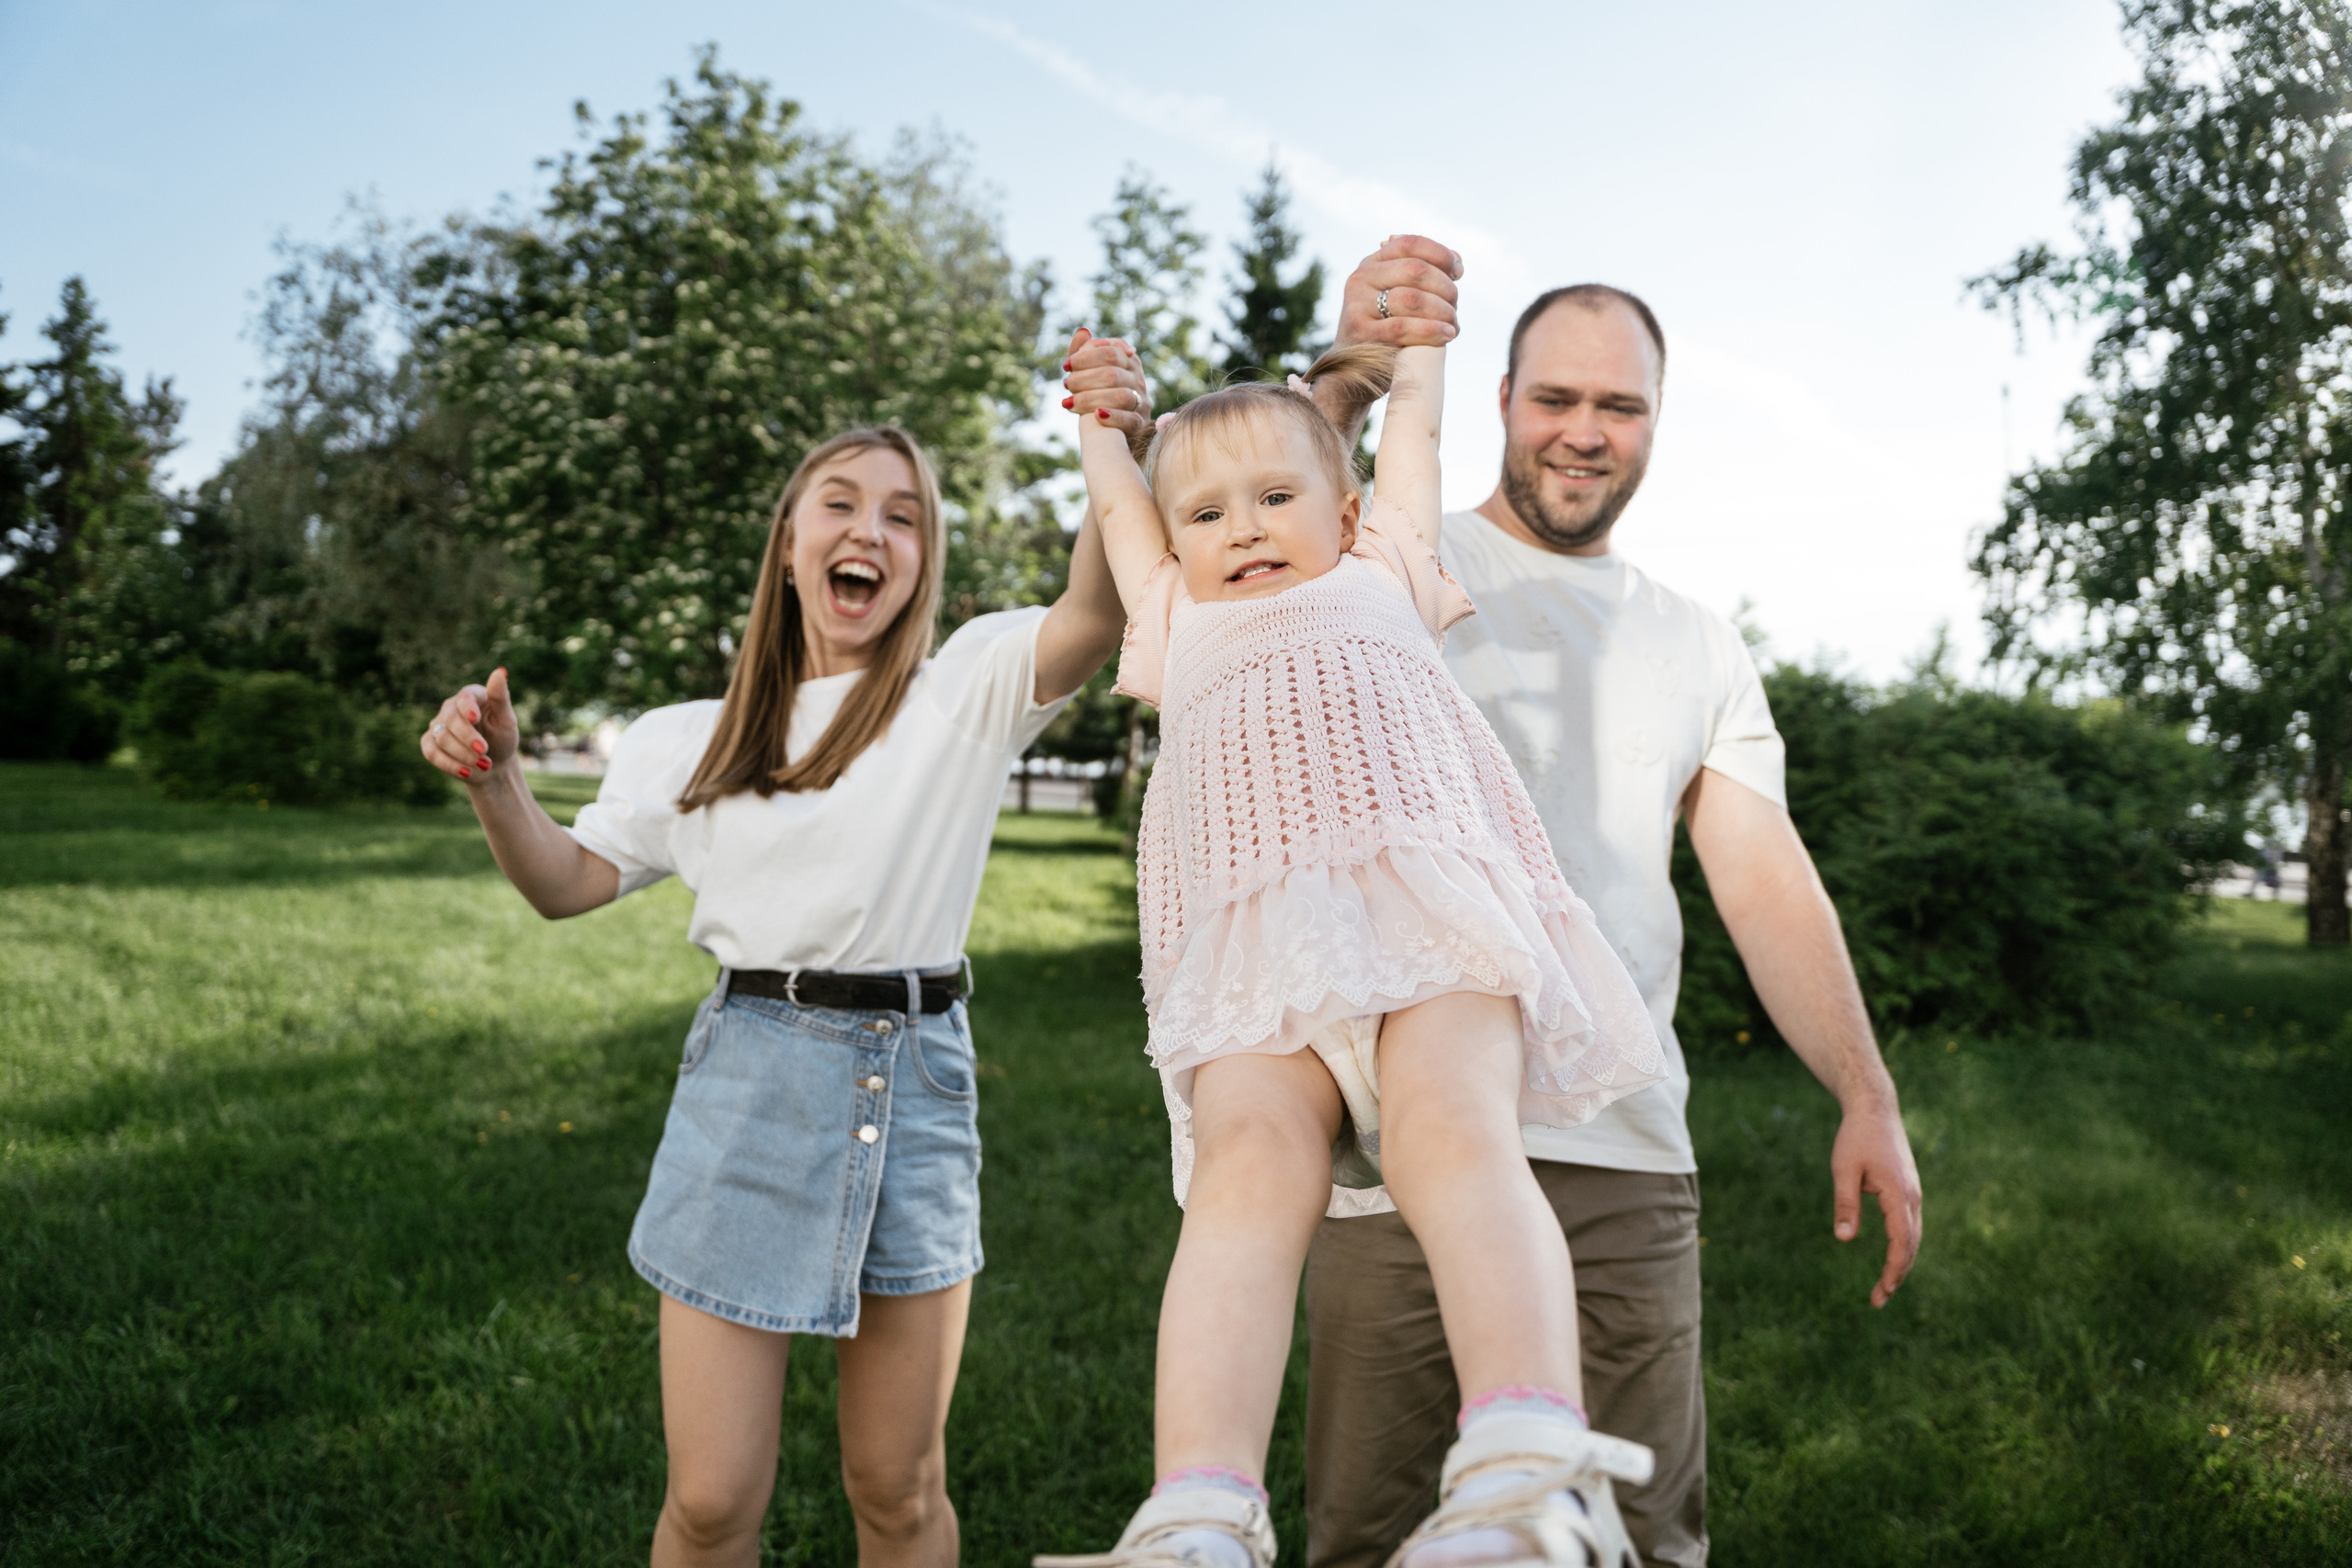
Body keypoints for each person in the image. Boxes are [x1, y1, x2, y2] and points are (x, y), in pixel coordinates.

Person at [416, 333, 1152, 1568]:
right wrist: (496, 785)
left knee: (899, 1490)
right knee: (711, 1501)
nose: (871, 530)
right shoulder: (687, 742)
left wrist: (1110, 434)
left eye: (905, 516)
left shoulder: (964, 691)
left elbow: (1101, 603)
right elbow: (569, 883)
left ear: (922, 563)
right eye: (842, 504)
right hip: (749, 1090)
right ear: (791, 545)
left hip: (914, 1087)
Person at [1298, 241, 1927, 1568]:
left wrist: (1866, 1092)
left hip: (1624, 1153)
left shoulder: (1696, 639)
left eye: (1621, 406)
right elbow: (1260, 516)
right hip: (1396, 1147)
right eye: (1555, 400)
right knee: (1370, 1533)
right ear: (1503, 399)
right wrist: (1347, 381)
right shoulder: (1388, 555)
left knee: (1641, 1539)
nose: (1585, 434)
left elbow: (1761, 874)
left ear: (1655, 425)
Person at [1036, 321, 1668, 1568]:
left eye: (1276, 497)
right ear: (1176, 545)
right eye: (1207, 514)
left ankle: (1525, 1459)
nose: (1246, 529)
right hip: (1258, 961)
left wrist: (1421, 346)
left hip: (1426, 924)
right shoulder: (1170, 615)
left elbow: (1417, 431)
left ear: (1348, 506)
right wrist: (1107, 424)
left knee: (1454, 1133)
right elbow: (1122, 510)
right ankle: (1199, 1511)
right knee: (1243, 1176)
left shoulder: (1385, 569)